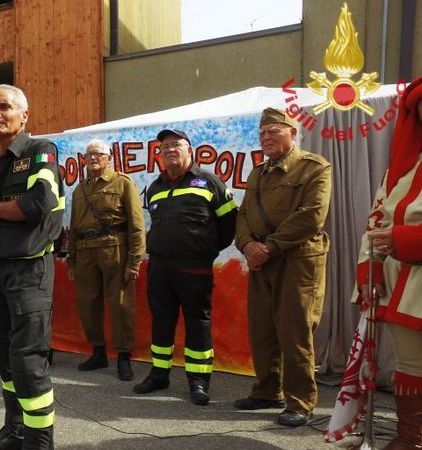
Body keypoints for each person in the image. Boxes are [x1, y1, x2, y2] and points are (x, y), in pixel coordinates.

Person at [0, 84, 63, 450]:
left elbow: (36, 206)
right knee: (4, 356)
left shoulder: (41, 152)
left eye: (4, 107)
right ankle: (15, 431)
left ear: (24, 115)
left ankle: (39, 442)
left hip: (29, 272)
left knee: (28, 361)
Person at [233, 108, 332, 427]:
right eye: (263, 133)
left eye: (274, 130)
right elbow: (244, 215)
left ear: (293, 133)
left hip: (297, 260)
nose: (266, 137)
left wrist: (269, 247)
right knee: (262, 329)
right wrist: (247, 245)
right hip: (261, 261)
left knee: (295, 331)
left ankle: (300, 401)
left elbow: (312, 215)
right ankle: (266, 391)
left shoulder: (313, 167)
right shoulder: (257, 174)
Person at [132, 129, 237, 405]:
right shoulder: (154, 187)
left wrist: (205, 250)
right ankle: (159, 374)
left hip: (195, 269)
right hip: (160, 269)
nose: (169, 150)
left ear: (189, 150)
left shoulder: (209, 181)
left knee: (197, 323)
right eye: (164, 146)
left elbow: (229, 225)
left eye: (175, 145)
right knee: (162, 322)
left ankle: (199, 381)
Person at [356, 77, 422, 449]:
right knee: (411, 364)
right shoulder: (401, 169)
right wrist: (370, 269)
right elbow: (376, 223)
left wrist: (406, 239)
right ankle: (410, 439)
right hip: (402, 282)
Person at [66, 139, 145, 381]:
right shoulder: (80, 190)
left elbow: (136, 225)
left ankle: (123, 356)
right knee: (87, 304)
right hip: (86, 251)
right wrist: (72, 260)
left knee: (120, 304)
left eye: (98, 154)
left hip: (115, 249)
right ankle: (98, 352)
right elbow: (74, 227)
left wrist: (134, 262)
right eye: (88, 155)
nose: (92, 158)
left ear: (108, 158)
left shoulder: (122, 183)